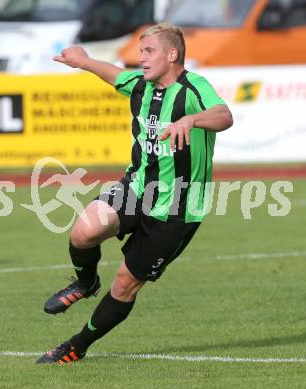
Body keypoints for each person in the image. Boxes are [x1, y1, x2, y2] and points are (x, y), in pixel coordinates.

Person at [36, 22, 233, 365]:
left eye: (149, 51)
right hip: (137, 188)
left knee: (125, 284)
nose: (141, 59)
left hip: (176, 208)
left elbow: (224, 115)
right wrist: (82, 61)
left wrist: (192, 120)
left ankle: (75, 347)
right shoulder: (141, 86)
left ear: (172, 54)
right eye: (141, 51)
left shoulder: (194, 89)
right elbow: (114, 74)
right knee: (83, 233)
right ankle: (84, 284)